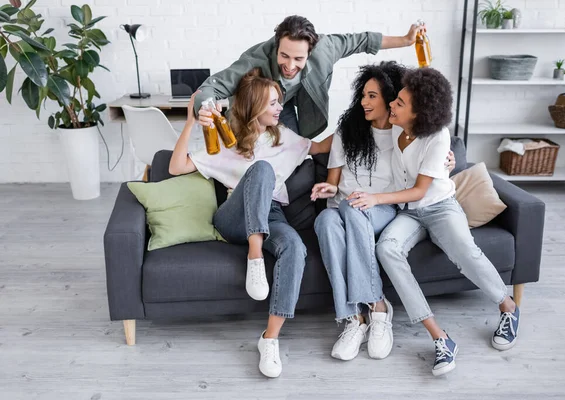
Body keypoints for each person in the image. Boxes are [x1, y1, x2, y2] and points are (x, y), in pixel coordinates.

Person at [346, 67, 520, 377]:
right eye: (394, 100)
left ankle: (508, 306)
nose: (392, 106)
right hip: (410, 213)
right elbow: (360, 115)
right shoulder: (395, 125)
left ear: (420, 112)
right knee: (386, 250)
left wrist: (374, 199)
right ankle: (440, 337)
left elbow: (421, 190)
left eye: (399, 103)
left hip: (439, 206)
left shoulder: (437, 136)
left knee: (465, 251)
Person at [169, 69, 329, 378]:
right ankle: (255, 255)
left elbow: (323, 148)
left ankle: (269, 339)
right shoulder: (224, 143)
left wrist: (367, 124)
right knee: (262, 170)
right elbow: (176, 167)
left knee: (294, 247)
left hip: (272, 215)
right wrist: (190, 120)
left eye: (279, 102)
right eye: (272, 103)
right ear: (255, 106)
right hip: (234, 217)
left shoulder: (285, 138)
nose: (279, 108)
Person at [310, 62, 456, 362]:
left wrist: (447, 161)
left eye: (373, 96)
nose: (364, 101)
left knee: (353, 207)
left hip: (381, 210)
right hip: (344, 207)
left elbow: (427, 166)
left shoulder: (404, 135)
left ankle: (377, 307)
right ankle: (354, 319)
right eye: (363, 95)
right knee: (325, 220)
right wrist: (327, 189)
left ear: (390, 98)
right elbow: (333, 182)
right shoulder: (346, 132)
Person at [193, 15, 426, 142]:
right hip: (254, 110)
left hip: (292, 102)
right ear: (276, 46)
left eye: (298, 59)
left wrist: (406, 40)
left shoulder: (326, 47)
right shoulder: (255, 60)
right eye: (284, 56)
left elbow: (363, 41)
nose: (290, 66)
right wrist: (203, 106)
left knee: (292, 147)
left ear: (310, 52)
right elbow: (211, 87)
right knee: (248, 151)